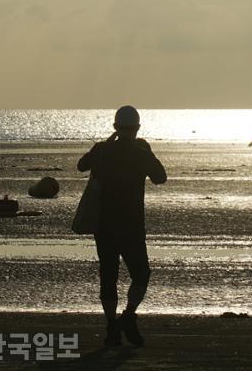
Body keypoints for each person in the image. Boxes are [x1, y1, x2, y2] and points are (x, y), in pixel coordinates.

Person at [77, 106, 167, 348]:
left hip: (104, 226)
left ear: (115, 128)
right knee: (141, 274)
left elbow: (81, 165)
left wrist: (105, 144)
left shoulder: (102, 150)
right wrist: (147, 152)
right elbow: (161, 177)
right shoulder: (140, 152)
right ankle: (127, 317)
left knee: (108, 276)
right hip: (132, 225)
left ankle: (111, 326)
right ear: (137, 128)